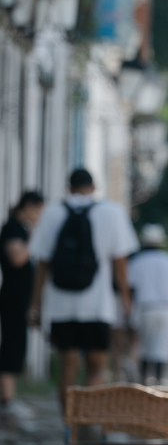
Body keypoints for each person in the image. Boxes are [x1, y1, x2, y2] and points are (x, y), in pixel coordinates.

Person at [27, 168, 138, 413]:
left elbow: (43, 264)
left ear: (68, 188)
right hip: (97, 304)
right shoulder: (112, 212)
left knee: (67, 363)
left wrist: (35, 304)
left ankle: (69, 427)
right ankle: (88, 421)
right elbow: (120, 263)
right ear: (94, 187)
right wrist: (127, 301)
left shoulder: (52, 212)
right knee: (97, 365)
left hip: (60, 302)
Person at [0, 189, 44, 426]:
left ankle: (9, 396)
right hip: (12, 298)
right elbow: (17, 258)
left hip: (21, 298)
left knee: (17, 345)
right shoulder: (13, 228)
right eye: (38, 210)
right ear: (28, 206)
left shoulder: (20, 229)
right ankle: (8, 398)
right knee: (12, 345)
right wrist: (35, 237)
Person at [126, 224, 168, 385]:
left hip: (144, 309)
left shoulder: (137, 262)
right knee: (162, 349)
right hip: (165, 309)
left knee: (144, 349)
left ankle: (143, 382)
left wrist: (128, 312)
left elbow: (131, 289)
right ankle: (158, 383)